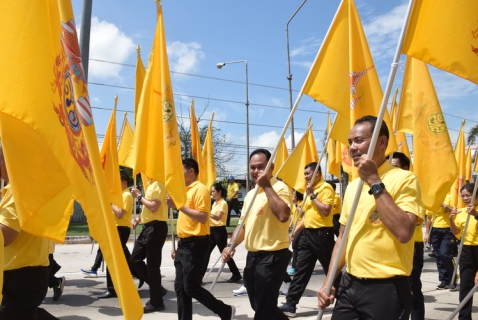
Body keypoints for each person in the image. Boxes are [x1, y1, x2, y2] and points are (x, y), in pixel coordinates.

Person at [317, 116, 423, 319]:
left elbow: (404, 232)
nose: (352, 148)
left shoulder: (405, 179)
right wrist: (328, 282)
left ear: (382, 142)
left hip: (387, 289)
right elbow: (343, 239)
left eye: (359, 141)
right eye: (350, 142)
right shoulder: (353, 187)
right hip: (350, 286)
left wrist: (374, 180)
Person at [222, 148, 292, 320]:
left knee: (263, 310)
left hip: (272, 257)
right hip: (252, 258)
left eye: (261, 167)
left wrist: (266, 186)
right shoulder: (251, 194)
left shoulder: (280, 187)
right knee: (258, 304)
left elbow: (283, 215)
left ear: (271, 167)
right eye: (252, 167)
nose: (256, 171)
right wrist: (230, 246)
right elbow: (242, 226)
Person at [167, 158, 235, 320]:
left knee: (190, 286)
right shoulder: (185, 190)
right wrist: (177, 245)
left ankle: (224, 310)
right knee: (180, 287)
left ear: (191, 171)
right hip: (183, 244)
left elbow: (203, 217)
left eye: (181, 171)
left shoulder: (200, 189)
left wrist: (179, 205)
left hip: (196, 244)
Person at [0, 144, 56, 319]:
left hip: (21, 277)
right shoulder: (23, 187)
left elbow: (5, 236)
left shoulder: (19, 189)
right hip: (25, 276)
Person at [280, 162, 338, 317]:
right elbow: (306, 217)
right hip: (308, 235)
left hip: (322, 235)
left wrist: (312, 195)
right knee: (301, 270)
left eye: (308, 173)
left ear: (317, 173)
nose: (306, 176)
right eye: (304, 174)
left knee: (332, 271)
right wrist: (294, 232)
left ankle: (346, 299)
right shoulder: (307, 190)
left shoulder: (325, 188)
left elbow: (326, 211)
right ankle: (290, 304)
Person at [391, 151, 425, 320]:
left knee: (412, 288)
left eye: (395, 167)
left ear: (405, 168)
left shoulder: (412, 186)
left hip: (412, 246)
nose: (390, 171)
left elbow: (414, 222)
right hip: (392, 246)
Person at [92, 172, 135, 299]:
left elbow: (120, 213)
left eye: (117, 183)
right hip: (116, 228)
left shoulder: (126, 195)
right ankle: (138, 276)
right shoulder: (120, 195)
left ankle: (112, 289)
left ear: (124, 183)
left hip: (121, 229)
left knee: (112, 259)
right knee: (125, 259)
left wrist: (110, 203)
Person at [130, 176, 169, 313]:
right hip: (147, 228)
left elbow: (154, 207)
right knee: (134, 259)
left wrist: (139, 196)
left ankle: (157, 302)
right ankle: (157, 289)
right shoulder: (151, 185)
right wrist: (139, 218)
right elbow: (148, 208)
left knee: (153, 267)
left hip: (156, 228)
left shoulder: (159, 184)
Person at [449, 183, 478, 320]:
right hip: (466, 250)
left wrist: (476, 214)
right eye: (463, 195)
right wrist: (450, 220)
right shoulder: (462, 212)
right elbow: (457, 233)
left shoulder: (475, 211)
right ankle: (464, 317)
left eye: (469, 195)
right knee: (465, 287)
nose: (465, 198)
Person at [202, 182, 242, 283]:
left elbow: (218, 217)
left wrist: (207, 213)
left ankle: (236, 274)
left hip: (219, 231)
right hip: (212, 230)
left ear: (219, 192)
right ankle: (199, 276)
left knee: (225, 253)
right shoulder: (215, 203)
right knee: (205, 253)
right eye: (211, 191)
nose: (212, 193)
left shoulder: (223, 203)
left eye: (214, 191)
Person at [425, 192, 458, 290]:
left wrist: (444, 205)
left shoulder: (448, 197)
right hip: (435, 230)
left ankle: (452, 279)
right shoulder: (431, 200)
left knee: (445, 254)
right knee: (438, 256)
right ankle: (444, 280)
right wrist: (427, 234)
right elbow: (429, 218)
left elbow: (455, 211)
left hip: (448, 230)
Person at [285, 190, 304, 277]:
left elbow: (303, 214)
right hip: (295, 227)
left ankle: (294, 267)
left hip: (301, 227)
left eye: (294, 194)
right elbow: (294, 217)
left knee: (295, 245)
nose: (292, 196)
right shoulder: (294, 205)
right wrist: (290, 225)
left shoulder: (302, 203)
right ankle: (298, 266)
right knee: (297, 246)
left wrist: (297, 205)